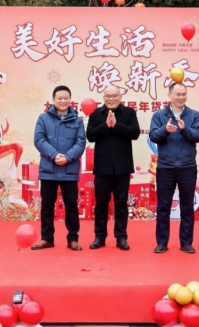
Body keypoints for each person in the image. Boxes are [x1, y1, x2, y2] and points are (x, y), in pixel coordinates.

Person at [149, 82, 199, 254]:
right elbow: (153, 135)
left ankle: (186, 242)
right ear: (169, 96)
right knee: (163, 206)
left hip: (187, 167)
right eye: (178, 94)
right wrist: (165, 130)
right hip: (165, 167)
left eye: (183, 94)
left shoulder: (194, 115)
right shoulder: (159, 115)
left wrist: (185, 129)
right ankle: (162, 242)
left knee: (187, 206)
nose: (181, 97)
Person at [85, 85, 140, 250]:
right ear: (103, 97)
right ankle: (99, 237)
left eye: (115, 95)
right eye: (108, 96)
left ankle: (121, 238)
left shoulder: (129, 113)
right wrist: (106, 125)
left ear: (120, 97)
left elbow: (135, 133)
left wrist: (116, 126)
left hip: (123, 167)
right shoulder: (96, 114)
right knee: (101, 204)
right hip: (102, 168)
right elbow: (90, 135)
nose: (111, 99)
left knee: (121, 203)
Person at [32, 86, 86, 251]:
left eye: (66, 98)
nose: (63, 101)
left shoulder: (77, 120)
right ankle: (47, 238)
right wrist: (54, 155)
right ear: (53, 100)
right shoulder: (43, 118)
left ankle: (73, 239)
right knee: (47, 205)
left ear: (70, 100)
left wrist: (68, 157)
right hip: (49, 170)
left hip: (69, 170)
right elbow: (39, 140)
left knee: (71, 205)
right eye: (60, 98)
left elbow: (80, 142)